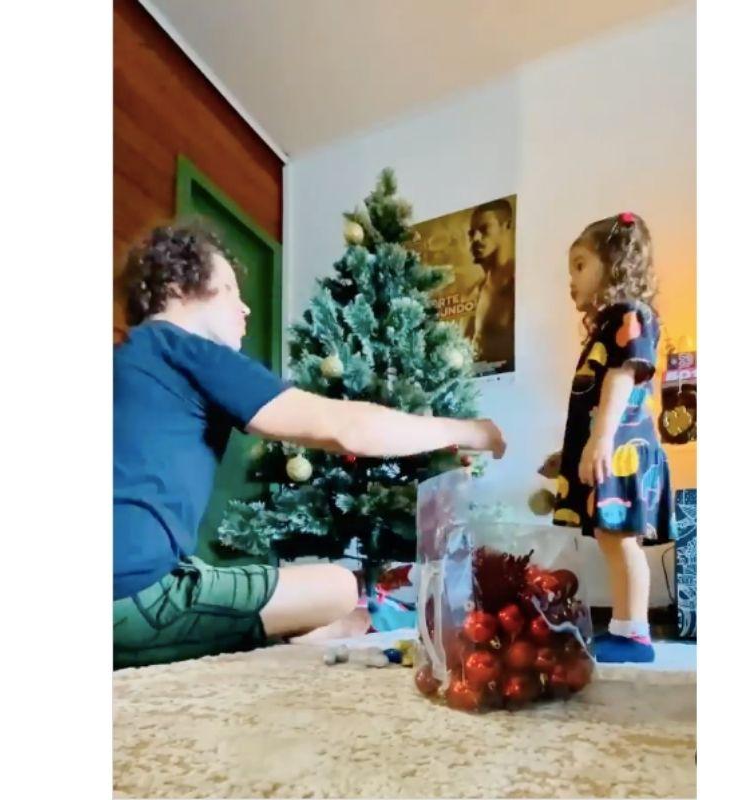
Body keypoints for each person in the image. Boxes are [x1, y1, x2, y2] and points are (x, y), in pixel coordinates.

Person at [113, 221, 507, 669]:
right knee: (338, 588)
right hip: (129, 594)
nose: (245, 307)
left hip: (129, 580)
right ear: (175, 289)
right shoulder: (182, 348)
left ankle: (302, 631)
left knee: (329, 615)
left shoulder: (128, 359)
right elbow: (347, 430)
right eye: (228, 289)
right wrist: (471, 431)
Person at [547, 212, 675, 663]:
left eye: (580, 265)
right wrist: (571, 452)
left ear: (614, 263)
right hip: (614, 447)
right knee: (612, 539)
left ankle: (633, 633)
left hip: (624, 452)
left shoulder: (628, 315)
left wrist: (601, 441)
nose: (572, 279)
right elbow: (597, 400)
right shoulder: (611, 324)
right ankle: (626, 629)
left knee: (619, 540)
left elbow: (622, 377)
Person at [463, 199, 516, 371]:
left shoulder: (518, 284)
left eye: (484, 229)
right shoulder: (474, 291)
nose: (476, 238)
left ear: (506, 226)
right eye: (471, 233)